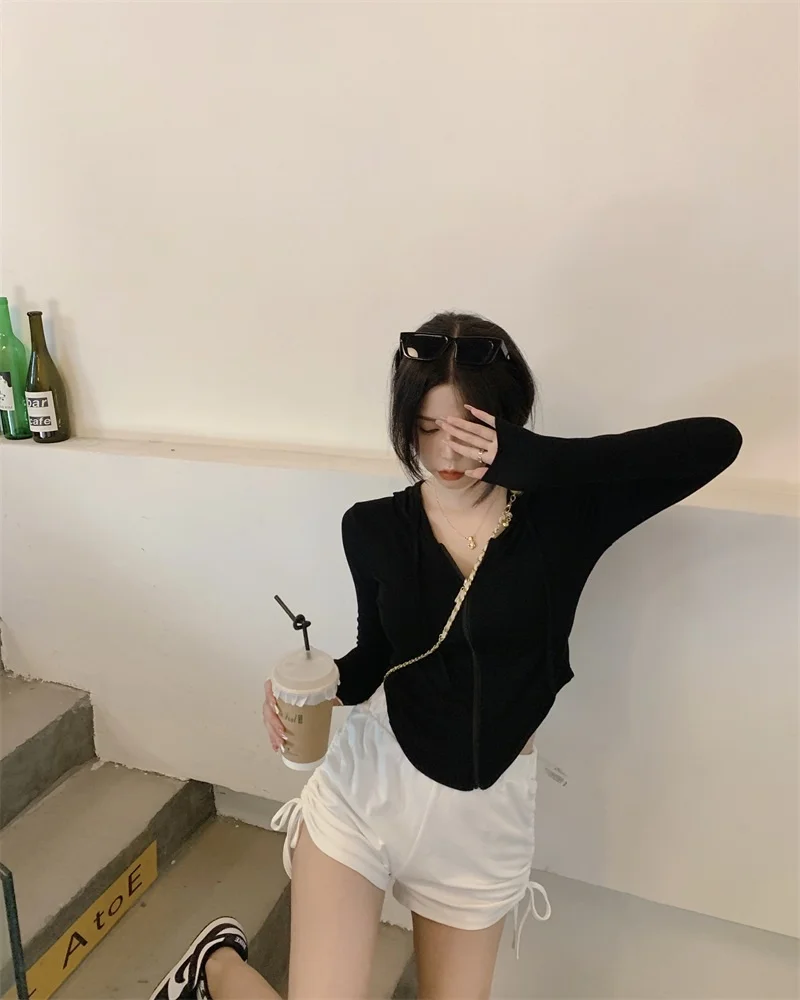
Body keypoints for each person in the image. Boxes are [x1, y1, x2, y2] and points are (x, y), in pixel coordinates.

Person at [150, 312, 742, 1000]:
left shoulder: (564, 518)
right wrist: (321, 682)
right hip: (369, 787)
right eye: (427, 429)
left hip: (482, 820)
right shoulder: (372, 527)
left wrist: (533, 460)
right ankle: (218, 966)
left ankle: (215, 970)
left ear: (505, 426)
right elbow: (377, 655)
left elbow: (715, 443)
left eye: (468, 431)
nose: (446, 454)